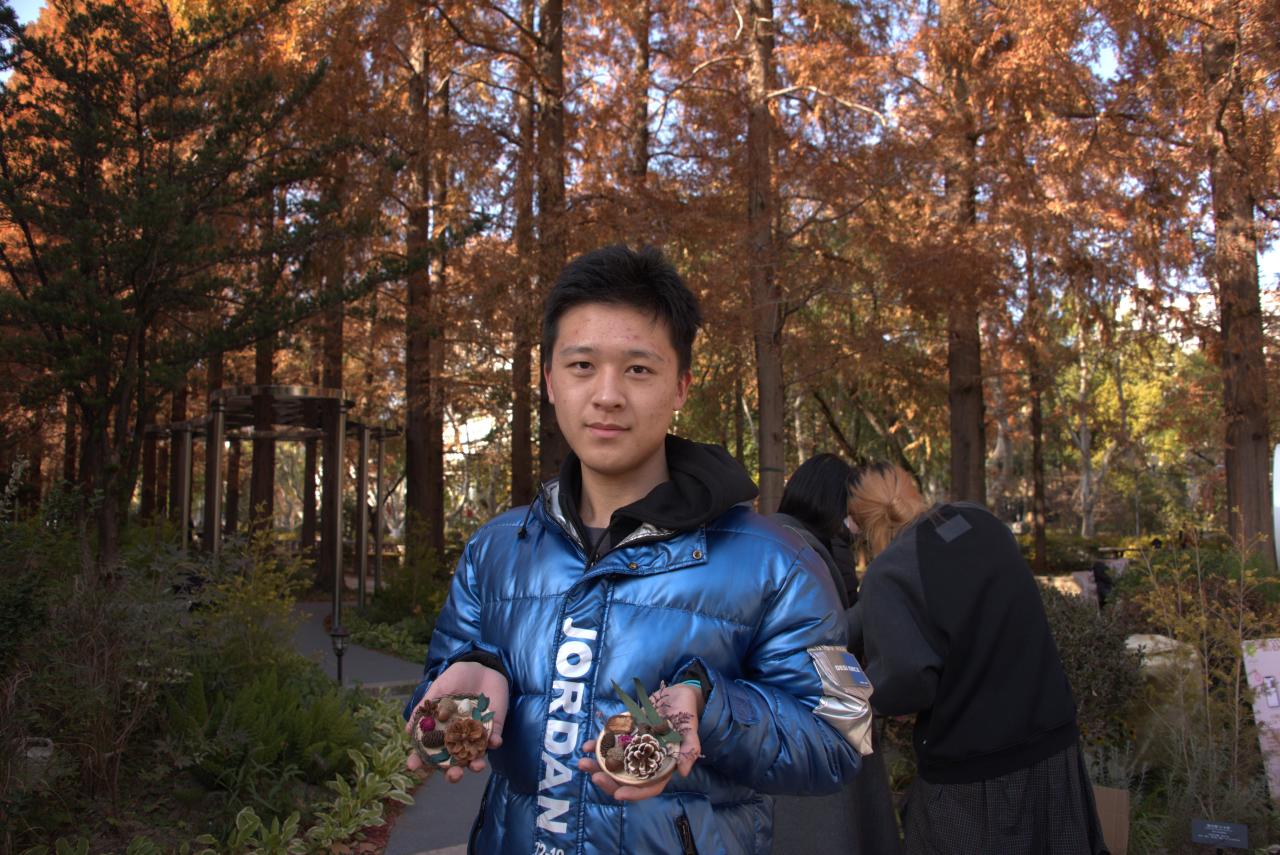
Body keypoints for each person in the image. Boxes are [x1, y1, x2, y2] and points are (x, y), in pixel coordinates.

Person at [404, 245, 867, 855]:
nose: (607, 395)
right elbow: (439, 689)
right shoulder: (496, 550)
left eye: (639, 370)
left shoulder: (775, 563)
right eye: (582, 365)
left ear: (681, 386)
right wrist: (466, 678)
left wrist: (710, 709)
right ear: (549, 381)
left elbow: (839, 736)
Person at [847, 463, 1109, 855]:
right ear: (912, 489)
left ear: (862, 526)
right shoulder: (981, 521)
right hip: (1052, 741)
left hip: (973, 771)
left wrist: (867, 693)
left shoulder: (889, 572)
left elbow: (906, 680)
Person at [771, 454, 902, 855]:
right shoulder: (800, 552)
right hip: (811, 721)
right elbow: (819, 638)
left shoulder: (781, 538)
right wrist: (872, 604)